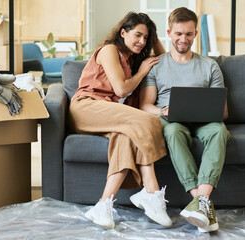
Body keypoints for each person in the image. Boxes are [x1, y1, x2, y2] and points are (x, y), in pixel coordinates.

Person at [68, 12, 172, 230]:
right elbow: (121, 89)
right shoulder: (109, 51)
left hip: (109, 113)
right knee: (149, 121)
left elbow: (165, 61)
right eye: (138, 35)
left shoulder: (133, 61)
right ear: (123, 32)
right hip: (87, 107)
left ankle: (103, 205)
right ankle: (151, 191)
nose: (142, 42)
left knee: (126, 137)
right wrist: (143, 71)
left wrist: (153, 37)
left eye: (146, 38)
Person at [139, 7, 230, 233]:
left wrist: (208, 111)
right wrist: (162, 111)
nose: (183, 39)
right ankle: (201, 201)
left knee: (220, 130)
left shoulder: (210, 66)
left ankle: (200, 203)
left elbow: (224, 112)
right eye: (179, 34)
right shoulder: (156, 65)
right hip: (172, 120)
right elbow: (145, 105)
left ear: (196, 34)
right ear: (169, 33)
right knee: (172, 132)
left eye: (189, 34)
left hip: (205, 121)